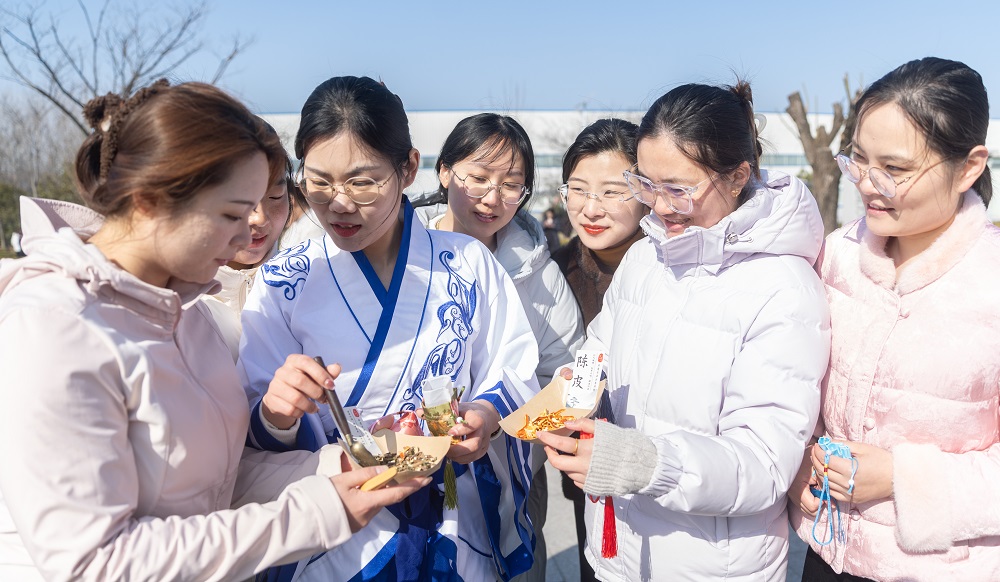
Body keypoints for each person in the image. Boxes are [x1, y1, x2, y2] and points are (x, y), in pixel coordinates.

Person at [0, 80, 426, 581]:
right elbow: (95, 560)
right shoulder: (55, 326)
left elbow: (218, 481)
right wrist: (316, 513)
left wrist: (344, 466)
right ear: (149, 201)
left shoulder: (187, 313)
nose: (251, 233)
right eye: (231, 213)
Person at [239, 76, 541, 581]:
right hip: (336, 528)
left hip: (448, 514)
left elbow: (512, 367)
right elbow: (254, 420)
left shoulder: (467, 263)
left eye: (362, 181)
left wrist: (484, 417)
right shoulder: (282, 281)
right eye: (318, 181)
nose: (338, 202)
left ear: (409, 168)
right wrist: (276, 412)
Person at [537, 81, 831, 581]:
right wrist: (568, 399)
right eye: (646, 185)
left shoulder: (782, 289)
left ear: (739, 175)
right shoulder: (646, 258)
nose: (659, 206)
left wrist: (639, 463)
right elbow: (599, 349)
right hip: (618, 551)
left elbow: (763, 464)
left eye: (679, 189)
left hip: (710, 564)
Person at [788, 57, 1000, 581]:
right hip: (829, 552)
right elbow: (796, 385)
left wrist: (903, 479)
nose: (867, 184)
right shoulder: (833, 257)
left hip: (948, 566)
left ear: (970, 166)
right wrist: (798, 463)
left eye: (896, 169)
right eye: (857, 160)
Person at [411, 112, 585, 581]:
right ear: (444, 170)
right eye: (478, 177)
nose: (493, 198)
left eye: (512, 184)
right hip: (411, 464)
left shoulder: (537, 273)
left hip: (512, 476)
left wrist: (507, 430)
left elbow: (568, 376)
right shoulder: (400, 251)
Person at [549, 118, 647, 582]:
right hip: (584, 473)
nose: (591, 208)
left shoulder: (675, 271)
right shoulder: (554, 273)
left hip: (660, 468)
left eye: (611, 192)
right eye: (578, 189)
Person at [202, 118, 293, 360]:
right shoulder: (175, 303)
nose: (260, 218)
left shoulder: (309, 281)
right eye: (242, 200)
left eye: (275, 196)